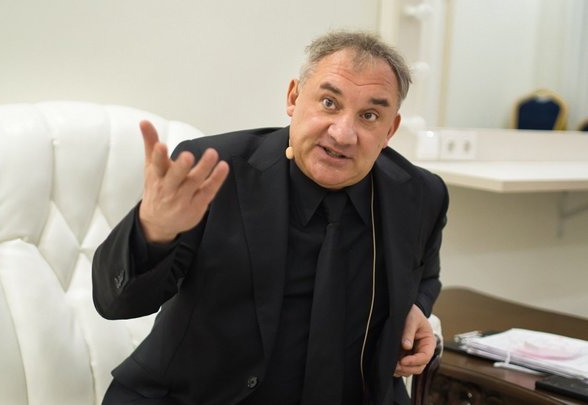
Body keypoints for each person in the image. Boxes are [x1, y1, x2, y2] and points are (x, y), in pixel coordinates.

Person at [92, 30, 448, 405]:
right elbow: (117, 303)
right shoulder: (214, 172)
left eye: (369, 116)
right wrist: (154, 231)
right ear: (293, 97)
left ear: (390, 129)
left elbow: (426, 275)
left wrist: (415, 309)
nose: (343, 134)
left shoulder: (420, 194)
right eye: (329, 103)